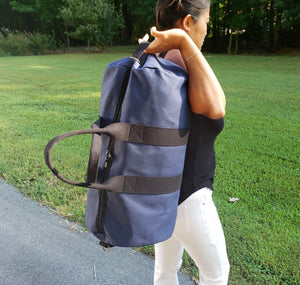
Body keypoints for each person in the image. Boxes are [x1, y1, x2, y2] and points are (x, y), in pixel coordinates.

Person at [143, 0, 230, 284]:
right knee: (216, 273)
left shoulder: (159, 58)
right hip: (190, 198)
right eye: (206, 20)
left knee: (166, 270)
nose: (207, 28)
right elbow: (217, 107)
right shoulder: (181, 61)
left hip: (162, 192)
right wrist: (184, 42)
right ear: (188, 23)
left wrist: (180, 41)